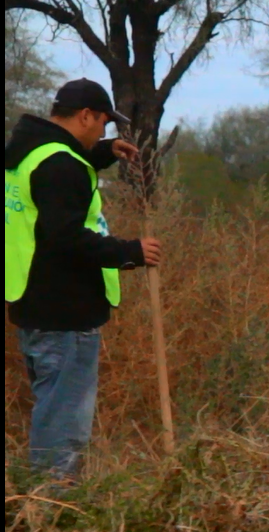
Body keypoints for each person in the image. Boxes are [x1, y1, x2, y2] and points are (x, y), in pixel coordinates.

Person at [5, 78, 163, 484]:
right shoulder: (63, 166)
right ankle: (52, 501)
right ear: (86, 115)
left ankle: (40, 499)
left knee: (51, 404)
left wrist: (104, 153)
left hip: (34, 299)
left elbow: (55, 189)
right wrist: (129, 252)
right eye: (103, 125)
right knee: (63, 414)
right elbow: (65, 237)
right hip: (66, 308)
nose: (103, 131)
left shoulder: (29, 151)